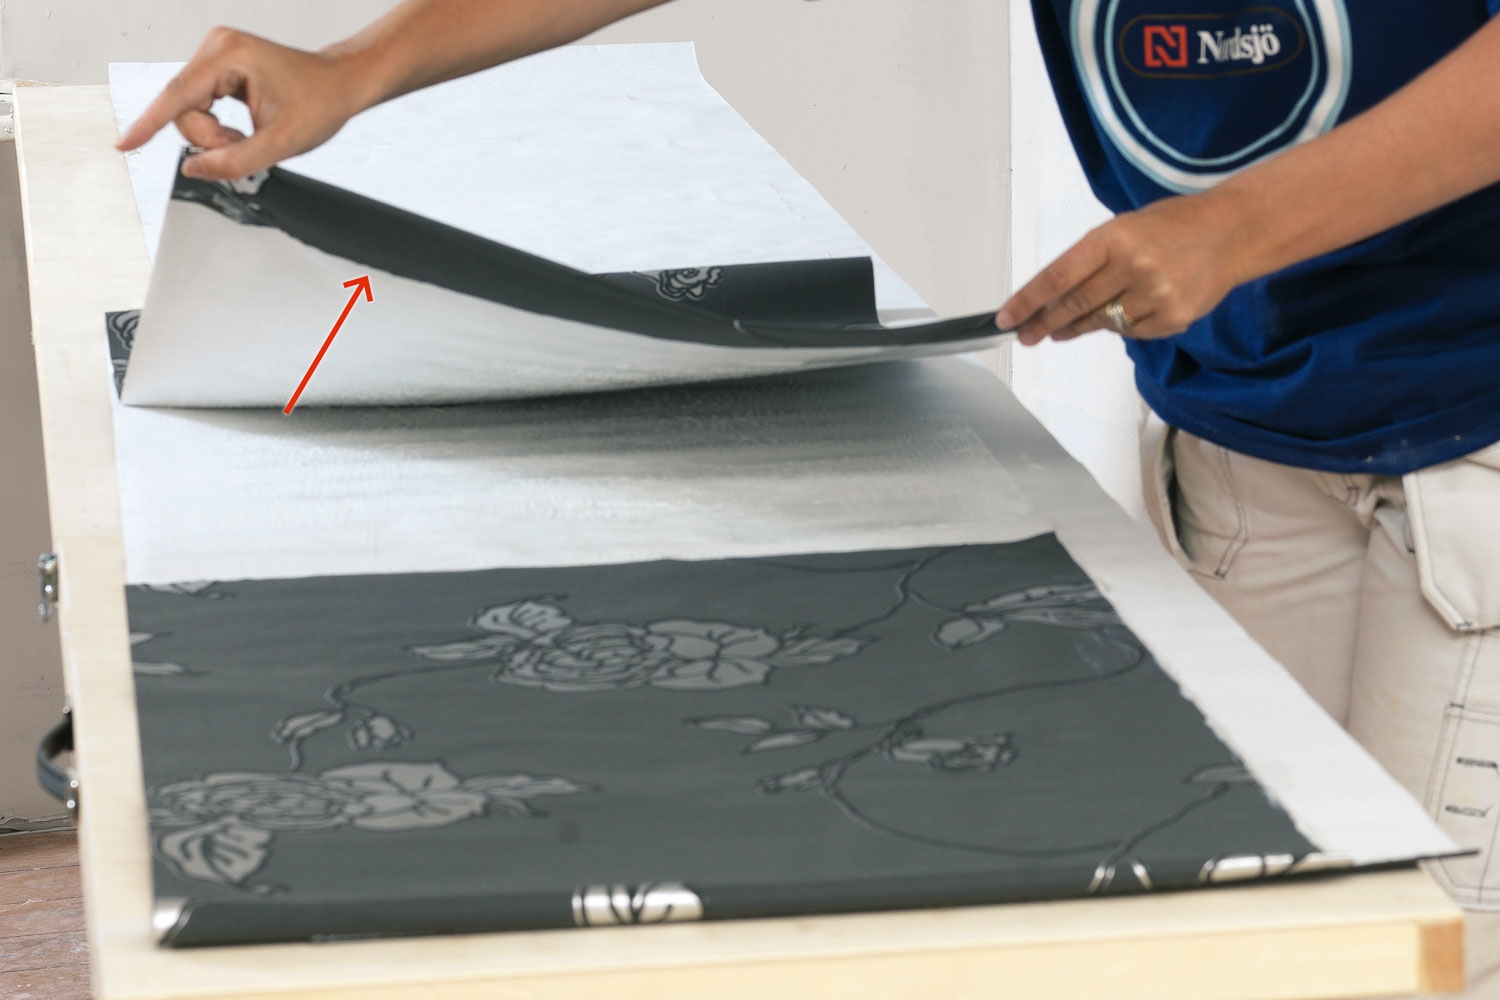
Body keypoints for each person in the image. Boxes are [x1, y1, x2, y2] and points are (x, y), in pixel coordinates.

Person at [119, 1, 1500, 993]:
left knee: (1439, 946)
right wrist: (358, 65)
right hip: (1246, 412)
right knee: (1254, 940)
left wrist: (1233, 227)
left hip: (1469, 437)